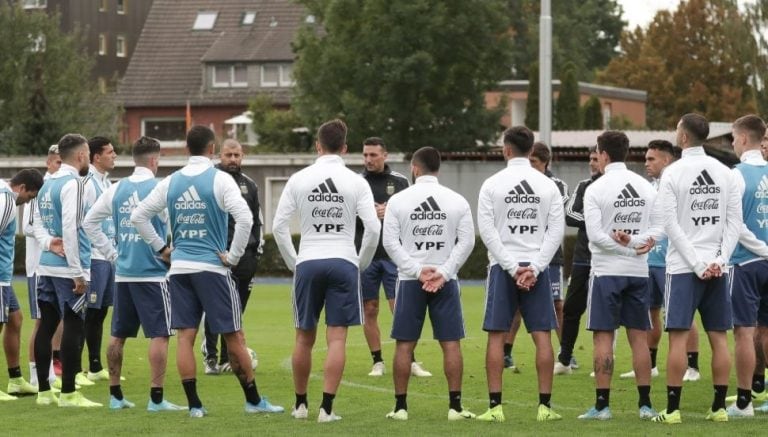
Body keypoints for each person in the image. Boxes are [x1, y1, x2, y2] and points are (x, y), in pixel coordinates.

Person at [131, 125, 282, 418]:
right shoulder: (220, 179)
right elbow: (245, 218)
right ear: (212, 149)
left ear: (187, 149)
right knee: (234, 336)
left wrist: (162, 248)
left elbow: (139, 216)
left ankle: (195, 405)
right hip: (212, 268)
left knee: (186, 337)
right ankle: (253, 401)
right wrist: (234, 256)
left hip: (180, 269)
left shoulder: (171, 181)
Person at [273, 119, 380, 422]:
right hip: (343, 260)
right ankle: (327, 409)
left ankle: (300, 405)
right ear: (345, 149)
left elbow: (278, 227)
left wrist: (295, 262)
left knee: (303, 339)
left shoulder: (299, 178)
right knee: (337, 339)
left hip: (308, 260)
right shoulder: (356, 181)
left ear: (317, 145)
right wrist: (360, 262)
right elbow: (373, 228)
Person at [648, 113, 741, 424]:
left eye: (676, 130)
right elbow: (734, 223)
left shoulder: (672, 174)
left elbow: (669, 225)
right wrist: (720, 259)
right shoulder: (726, 172)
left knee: (676, 338)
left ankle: (672, 411)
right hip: (717, 267)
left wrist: (699, 263)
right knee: (718, 338)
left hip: (683, 268)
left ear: (684, 137)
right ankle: (718, 409)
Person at [83, 136, 185, 412]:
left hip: (124, 273)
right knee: (160, 334)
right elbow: (174, 226)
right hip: (153, 274)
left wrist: (113, 253)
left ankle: (115, 396)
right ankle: (156, 398)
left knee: (118, 335)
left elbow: (89, 222)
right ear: (155, 160)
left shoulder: (116, 189)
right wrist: (166, 249)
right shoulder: (161, 187)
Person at [477, 126, 565, 422]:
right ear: (531, 151)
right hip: (536, 268)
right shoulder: (547, 185)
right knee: (542, 337)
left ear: (506, 149)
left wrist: (512, 267)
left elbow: (487, 232)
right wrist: (537, 267)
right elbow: (557, 232)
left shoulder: (492, 184)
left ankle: (494, 408)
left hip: (504, 268)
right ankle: (545, 407)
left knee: (496, 336)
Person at [381, 146, 475, 421]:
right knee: (451, 344)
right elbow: (466, 242)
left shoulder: (398, 200)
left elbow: (389, 243)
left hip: (411, 281)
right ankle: (455, 407)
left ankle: (400, 408)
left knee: (404, 345)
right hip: (445, 281)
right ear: (438, 169)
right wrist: (443, 272)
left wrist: (416, 270)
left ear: (414, 168)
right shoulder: (456, 200)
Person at [577, 131, 657, 420]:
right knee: (639, 337)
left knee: (603, 338)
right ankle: (645, 405)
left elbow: (596, 237)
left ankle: (602, 406)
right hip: (638, 272)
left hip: (607, 272)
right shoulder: (645, 186)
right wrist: (636, 247)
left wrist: (627, 249)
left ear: (604, 155)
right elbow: (659, 229)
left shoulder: (596, 189)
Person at [618, 141, 702, 381]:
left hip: (672, 262)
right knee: (650, 312)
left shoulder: (679, 184)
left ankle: (693, 367)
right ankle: (651, 364)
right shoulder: (648, 187)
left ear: (666, 160)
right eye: (645, 159)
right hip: (649, 260)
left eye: (651, 159)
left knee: (681, 316)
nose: (646, 164)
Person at [32, 133, 101, 407]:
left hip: (46, 267)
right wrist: (77, 272)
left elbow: (37, 223)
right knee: (74, 326)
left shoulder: (47, 183)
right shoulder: (75, 183)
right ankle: (69, 394)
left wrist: (48, 242)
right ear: (82, 155)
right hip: (69, 269)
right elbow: (71, 228)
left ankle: (44, 393)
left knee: (47, 326)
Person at [356, 137, 431, 378]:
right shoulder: (356, 183)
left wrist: (390, 211)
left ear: (385, 155)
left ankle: (410, 359)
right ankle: (377, 361)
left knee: (400, 308)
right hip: (366, 256)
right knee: (370, 308)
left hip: (394, 257)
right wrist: (368, 213)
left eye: (373, 155)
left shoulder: (400, 181)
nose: (368, 159)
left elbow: (414, 213)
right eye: (365, 155)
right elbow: (345, 214)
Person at [502, 142, 569, 372]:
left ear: (545, 163)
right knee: (517, 306)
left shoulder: (556, 185)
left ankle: (566, 352)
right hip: (521, 256)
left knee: (557, 304)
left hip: (550, 257)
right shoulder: (514, 182)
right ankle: (506, 352)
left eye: (535, 162)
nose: (530, 166)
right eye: (528, 161)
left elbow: (556, 223)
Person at [202, 139, 263, 375]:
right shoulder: (211, 181)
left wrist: (256, 251)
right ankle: (211, 357)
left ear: (242, 156)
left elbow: (256, 220)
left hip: (245, 258)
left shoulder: (250, 185)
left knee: (237, 309)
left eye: (237, 155)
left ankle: (229, 357)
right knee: (215, 307)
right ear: (220, 155)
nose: (233, 160)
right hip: (217, 255)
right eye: (228, 155)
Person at [723, 114, 768, 417]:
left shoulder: (735, 175)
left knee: (743, 332)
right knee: (765, 330)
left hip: (746, 261)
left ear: (741, 139)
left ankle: (744, 402)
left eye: (732, 137)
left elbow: (735, 225)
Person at [554, 147, 602, 375]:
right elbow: (570, 215)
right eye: (590, 159)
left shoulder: (615, 186)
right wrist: (598, 223)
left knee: (604, 313)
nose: (592, 163)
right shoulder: (584, 186)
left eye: (596, 158)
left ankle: (601, 362)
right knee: (572, 309)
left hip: (608, 259)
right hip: (583, 259)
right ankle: (564, 359)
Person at [0, 169, 44, 400]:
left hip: (4, 276)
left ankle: (16, 379)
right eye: (31, 196)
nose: (29, 201)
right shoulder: (6, 201)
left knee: (15, 320)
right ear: (22, 188)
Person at [80, 136, 117, 383]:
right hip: (94, 255)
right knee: (90, 312)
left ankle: (95, 365)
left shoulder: (108, 182)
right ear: (96, 157)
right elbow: (85, 221)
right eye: (110, 152)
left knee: (101, 311)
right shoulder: (89, 183)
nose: (114, 155)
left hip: (108, 255)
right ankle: (85, 365)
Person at [24, 145, 61, 388]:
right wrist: (50, 238)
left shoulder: (57, 188)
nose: (60, 166)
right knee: (41, 322)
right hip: (38, 267)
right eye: (57, 162)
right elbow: (28, 227)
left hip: (51, 266)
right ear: (48, 163)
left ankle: (48, 373)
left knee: (51, 321)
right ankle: (36, 375)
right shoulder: (39, 190)